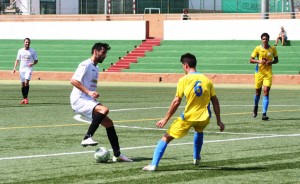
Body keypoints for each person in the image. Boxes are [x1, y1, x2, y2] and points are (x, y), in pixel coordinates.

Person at [143, 53, 225, 171]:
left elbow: (176, 101)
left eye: (182, 66)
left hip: (189, 117)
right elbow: (215, 101)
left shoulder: (184, 80)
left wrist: (165, 119)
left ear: (186, 65)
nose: (183, 68)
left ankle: (153, 165)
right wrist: (219, 121)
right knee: (199, 130)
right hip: (204, 117)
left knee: (166, 138)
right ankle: (196, 158)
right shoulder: (207, 80)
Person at [70, 42, 132, 162]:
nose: (105, 55)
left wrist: (92, 95)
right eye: (103, 53)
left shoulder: (96, 67)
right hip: (79, 99)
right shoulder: (85, 64)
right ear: (95, 52)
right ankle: (87, 137)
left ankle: (117, 154)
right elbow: (73, 81)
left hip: (87, 99)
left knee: (109, 123)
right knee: (104, 110)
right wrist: (89, 92)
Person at [250, 33, 279, 121]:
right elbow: (251, 60)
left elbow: (277, 60)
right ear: (261, 40)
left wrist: (271, 62)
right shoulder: (258, 48)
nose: (265, 40)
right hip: (259, 73)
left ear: (268, 39)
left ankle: (264, 113)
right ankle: (255, 107)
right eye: (263, 39)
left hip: (268, 73)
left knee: (266, 91)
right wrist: (259, 61)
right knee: (258, 92)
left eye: (266, 39)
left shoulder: (273, 49)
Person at [12, 38, 38, 105]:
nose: (27, 43)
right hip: (21, 69)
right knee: (23, 84)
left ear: (30, 43)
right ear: (24, 43)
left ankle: (26, 99)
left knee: (26, 82)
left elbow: (36, 60)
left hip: (28, 69)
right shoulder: (20, 50)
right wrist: (14, 68)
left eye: (28, 42)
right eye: (26, 42)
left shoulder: (33, 51)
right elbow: (17, 60)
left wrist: (32, 63)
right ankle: (25, 98)